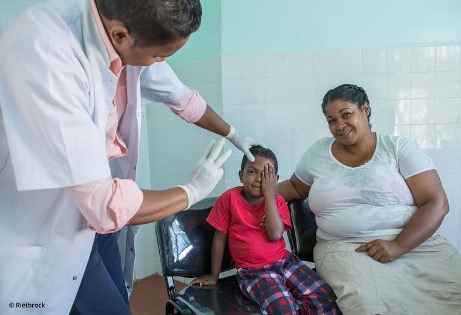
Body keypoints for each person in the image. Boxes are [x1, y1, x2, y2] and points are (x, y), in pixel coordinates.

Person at [0, 0, 265, 314]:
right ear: (120, 35)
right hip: (47, 223)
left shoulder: (123, 32)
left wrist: (232, 133)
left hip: (94, 225)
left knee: (118, 298)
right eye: (158, 56)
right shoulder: (46, 52)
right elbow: (105, 204)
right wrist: (190, 191)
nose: (157, 65)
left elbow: (182, 98)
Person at [277, 83, 461, 314]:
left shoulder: (397, 148)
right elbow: (296, 187)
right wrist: (251, 194)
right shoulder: (318, 152)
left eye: (346, 114)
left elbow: (436, 202)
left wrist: (398, 246)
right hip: (346, 249)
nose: (339, 125)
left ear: (365, 109)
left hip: (416, 244)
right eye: (331, 120)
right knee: (371, 307)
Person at [191, 145, 341, 315]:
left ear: (275, 180)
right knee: (284, 309)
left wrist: (270, 195)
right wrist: (214, 274)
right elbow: (219, 238)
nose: (258, 179)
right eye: (252, 172)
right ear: (240, 175)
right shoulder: (228, 199)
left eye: (266, 175)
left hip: (285, 263)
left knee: (324, 296)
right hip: (253, 272)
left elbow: (275, 234)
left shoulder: (277, 201)